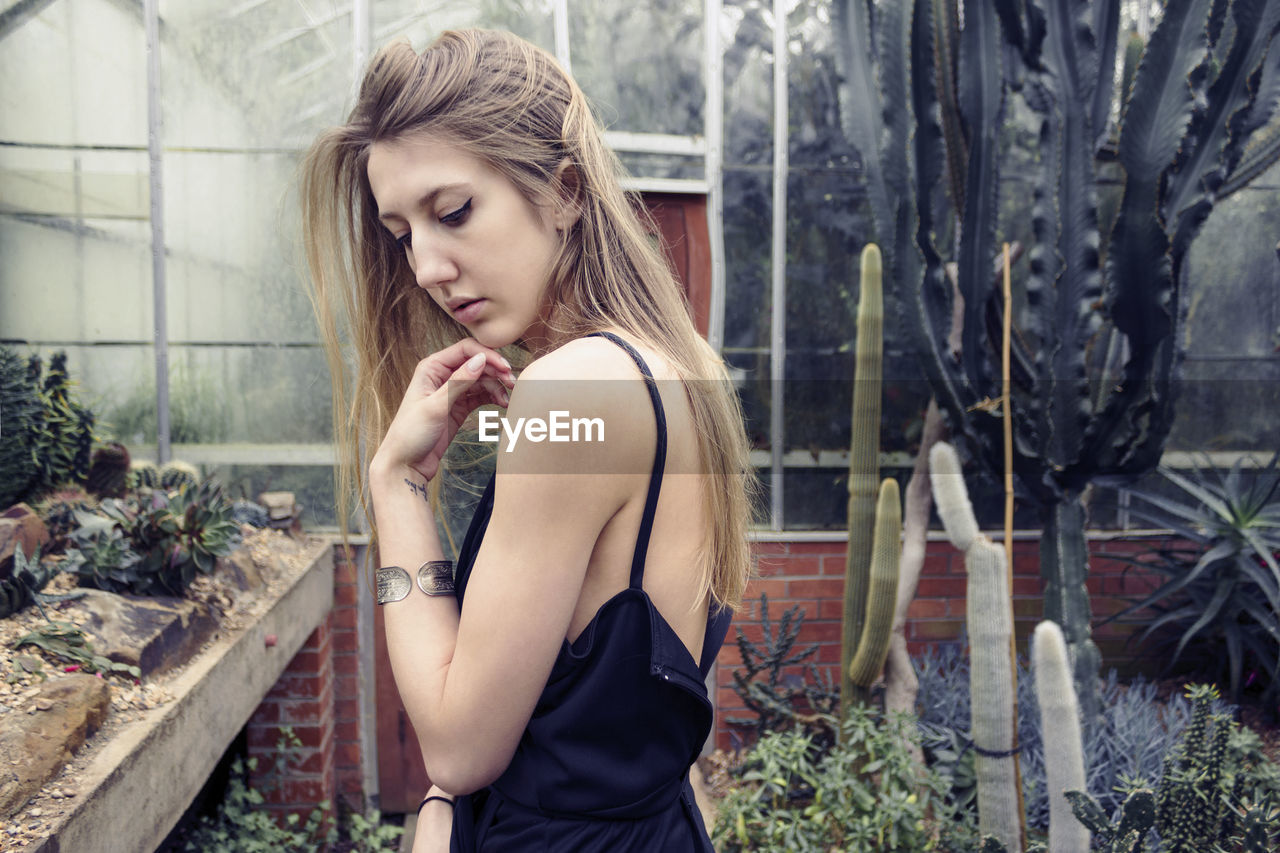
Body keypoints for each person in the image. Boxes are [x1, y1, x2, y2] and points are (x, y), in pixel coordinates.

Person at [300, 28, 754, 852]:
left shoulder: (570, 389)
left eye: (454, 212)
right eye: (403, 234)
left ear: (567, 191)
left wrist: (396, 484)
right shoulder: (674, 368)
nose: (427, 266)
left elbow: (458, 745)